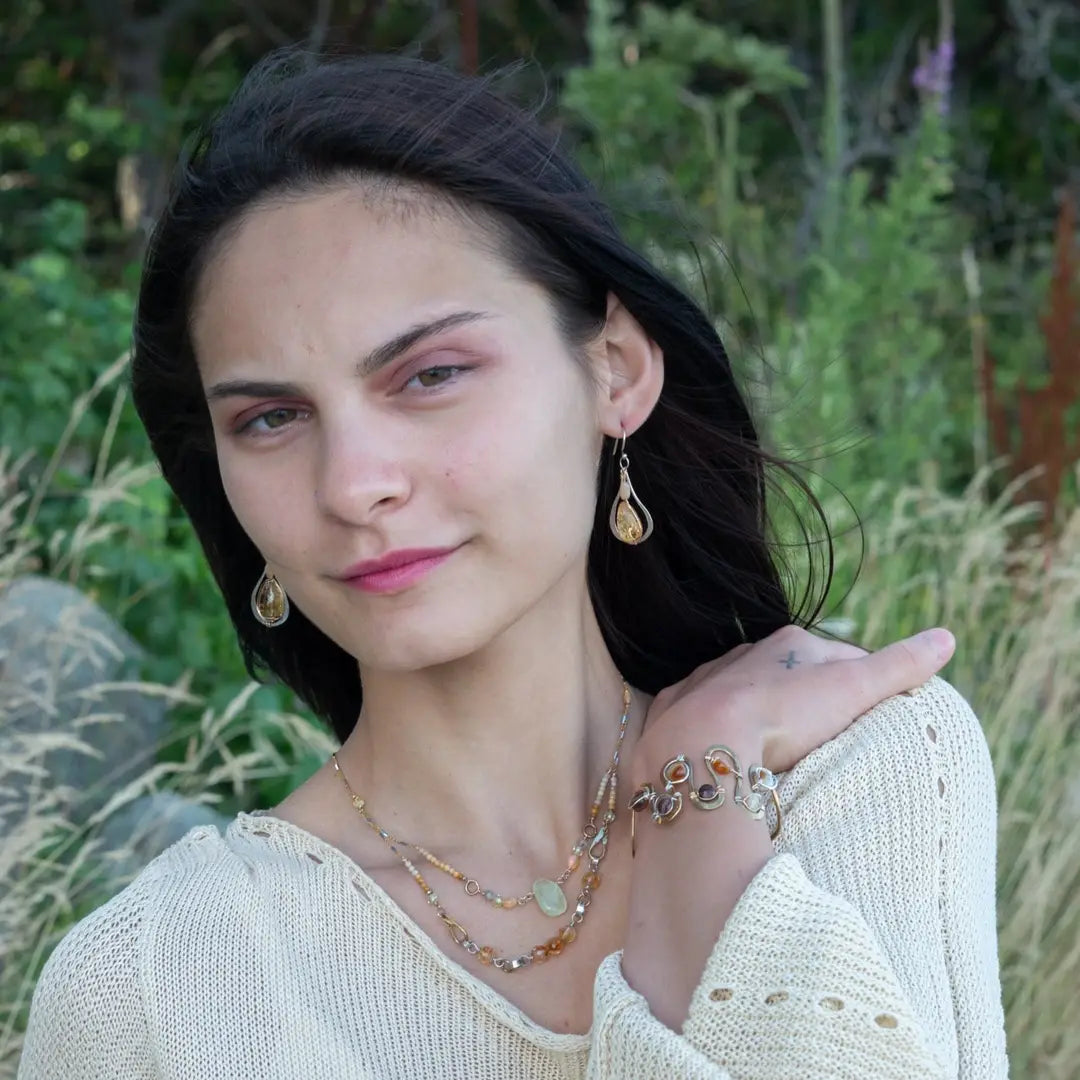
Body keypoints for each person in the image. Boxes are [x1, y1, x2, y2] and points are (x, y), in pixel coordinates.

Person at [17, 48, 1009, 1079]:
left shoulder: (863, 775)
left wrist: (697, 794)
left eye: (432, 374)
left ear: (614, 370)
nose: (353, 485)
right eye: (271, 418)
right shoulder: (148, 991)